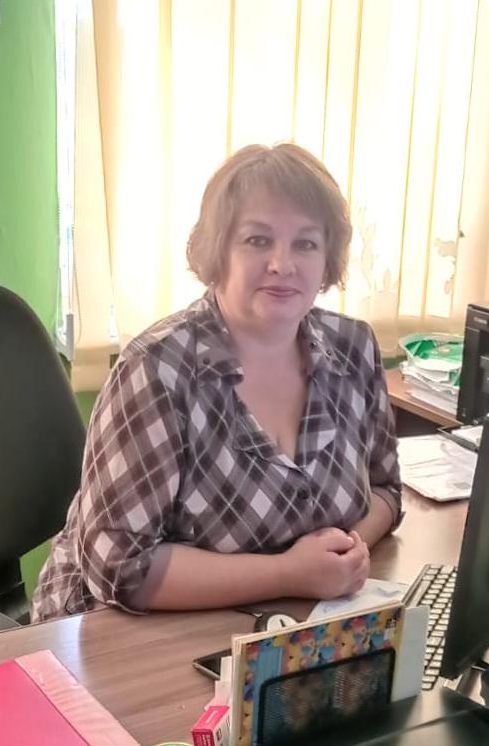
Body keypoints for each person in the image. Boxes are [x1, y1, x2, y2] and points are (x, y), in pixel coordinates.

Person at [31, 143, 402, 622]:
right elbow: (119, 568)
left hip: (290, 623)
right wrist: (290, 573)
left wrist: (344, 556)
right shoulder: (157, 370)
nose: (283, 264)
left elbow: (385, 488)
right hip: (125, 631)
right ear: (218, 250)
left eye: (306, 243)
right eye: (258, 240)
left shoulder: (353, 348)